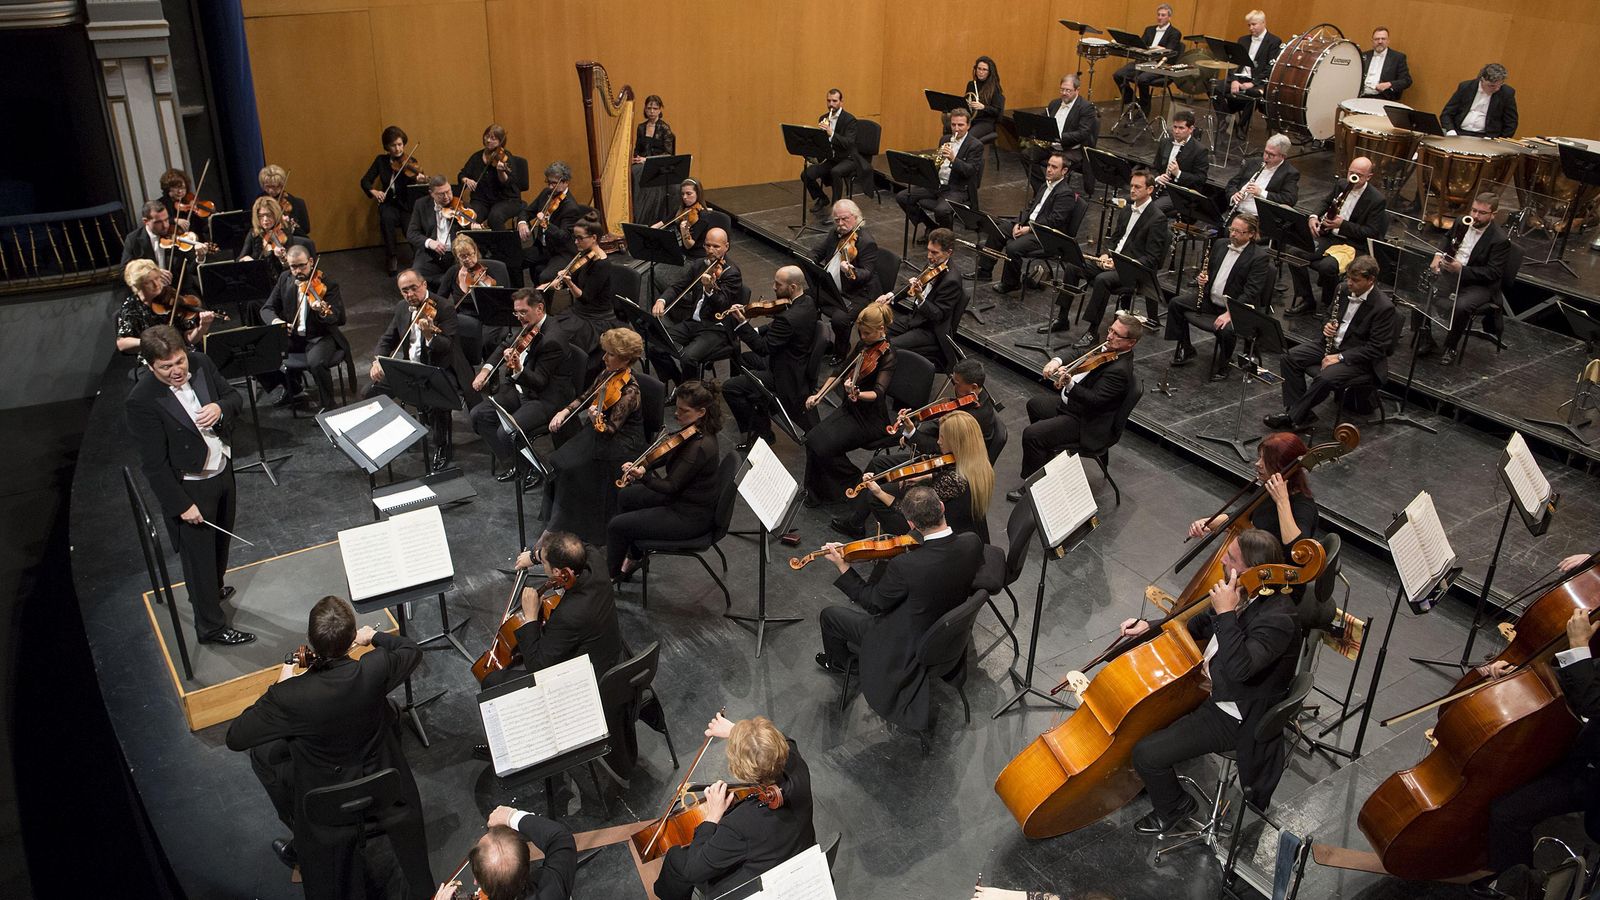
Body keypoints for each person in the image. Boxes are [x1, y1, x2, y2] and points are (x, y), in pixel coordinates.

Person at [225, 596, 432, 900]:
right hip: (382, 783)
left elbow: (236, 737)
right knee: (389, 710)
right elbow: (411, 650)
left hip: (324, 802)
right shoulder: (374, 669)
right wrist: (373, 636)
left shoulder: (290, 696)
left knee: (263, 755)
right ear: (351, 639)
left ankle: (297, 831)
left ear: (311, 640)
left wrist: (281, 685)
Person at [1123, 529, 1302, 834]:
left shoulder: (1278, 619)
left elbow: (1240, 670)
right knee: (1142, 722)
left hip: (1235, 713)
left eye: (1231, 558)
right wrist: (1149, 627)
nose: (1222, 561)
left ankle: (1174, 807)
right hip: (1212, 688)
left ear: (1252, 570)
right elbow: (1194, 626)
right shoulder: (1243, 591)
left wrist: (1226, 613)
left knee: (1145, 754)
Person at [814, 485, 984, 730]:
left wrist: (843, 567)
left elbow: (874, 603)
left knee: (830, 616)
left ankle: (841, 664)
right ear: (942, 507)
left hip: (904, 643)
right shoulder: (972, 542)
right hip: (943, 632)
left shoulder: (906, 566)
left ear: (911, 524)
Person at [126, 325, 254, 645]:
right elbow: (154, 465)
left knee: (220, 545)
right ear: (150, 366)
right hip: (191, 487)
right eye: (166, 367)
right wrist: (182, 505)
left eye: (179, 361)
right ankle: (210, 627)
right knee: (198, 560)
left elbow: (233, 396)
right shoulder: (141, 400)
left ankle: (210, 591)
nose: (177, 371)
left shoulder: (201, 363)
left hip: (222, 471)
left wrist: (220, 408)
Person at [1469, 605, 1600, 899]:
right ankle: (1517, 882)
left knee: (1508, 812)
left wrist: (1579, 647)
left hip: (1594, 777)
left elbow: (1593, 703)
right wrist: (1519, 676)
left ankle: (1520, 891)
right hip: (1585, 755)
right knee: (1506, 802)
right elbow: (1589, 679)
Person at [654, 713, 816, 900]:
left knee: (676, 859)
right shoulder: (797, 766)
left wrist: (713, 816)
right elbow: (785, 740)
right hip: (798, 853)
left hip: (760, 884)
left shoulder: (739, 824)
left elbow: (693, 870)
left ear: (739, 770)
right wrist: (737, 732)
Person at [1013, 312, 1141, 501]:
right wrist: (1056, 361)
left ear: (1131, 343)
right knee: (1035, 405)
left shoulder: (1120, 371)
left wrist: (1070, 384)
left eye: (1116, 334)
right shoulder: (1109, 348)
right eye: (1111, 330)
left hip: (1086, 421)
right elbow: (1081, 354)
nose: (1109, 336)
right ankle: (1045, 456)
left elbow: (1095, 400)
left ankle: (1031, 487)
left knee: (1032, 434)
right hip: (1073, 406)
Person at [608, 380, 724, 582]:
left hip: (689, 516)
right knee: (626, 496)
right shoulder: (693, 430)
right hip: (680, 499)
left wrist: (643, 477)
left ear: (701, 412)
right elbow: (667, 453)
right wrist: (643, 465)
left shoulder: (700, 447)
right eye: (677, 408)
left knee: (617, 526)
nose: (676, 414)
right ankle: (635, 556)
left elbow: (670, 486)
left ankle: (611, 576)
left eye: (684, 411)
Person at [1265, 254, 1396, 430]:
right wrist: (1327, 325)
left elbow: (1376, 348)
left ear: (1371, 280)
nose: (1349, 283)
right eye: (1348, 278)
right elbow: (1328, 314)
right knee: (1289, 358)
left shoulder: (1384, 308)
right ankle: (1302, 414)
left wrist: (1340, 357)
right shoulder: (1342, 289)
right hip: (1331, 344)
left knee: (1325, 378)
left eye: (1355, 280)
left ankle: (1293, 417)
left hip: (1359, 359)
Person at [544, 328, 647, 546]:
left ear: (625, 359)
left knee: (571, 469)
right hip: (598, 431)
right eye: (605, 352)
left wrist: (594, 420)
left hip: (620, 443)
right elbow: (586, 396)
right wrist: (565, 411)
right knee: (557, 461)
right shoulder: (607, 373)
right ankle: (557, 519)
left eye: (611, 354)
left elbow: (610, 430)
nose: (604, 357)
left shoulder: (630, 392)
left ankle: (572, 525)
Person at [469, 287, 579, 485]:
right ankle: (517, 463)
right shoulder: (528, 325)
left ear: (539, 308)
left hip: (545, 397)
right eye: (516, 312)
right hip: (521, 388)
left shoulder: (552, 339)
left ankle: (537, 469)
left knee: (507, 431)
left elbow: (540, 382)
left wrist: (519, 369)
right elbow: (505, 346)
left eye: (523, 312)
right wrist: (485, 371)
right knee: (479, 415)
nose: (519, 317)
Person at [1047, 169, 1168, 347]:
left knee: (1102, 280)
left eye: (1137, 187)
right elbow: (1113, 240)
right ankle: (1062, 317)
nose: (1132, 190)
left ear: (1150, 190)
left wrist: (1119, 264)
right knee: (1073, 267)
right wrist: (1105, 254)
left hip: (1132, 270)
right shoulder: (1127, 210)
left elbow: (1152, 258)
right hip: (1112, 262)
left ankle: (1092, 331)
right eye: (1132, 186)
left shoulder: (1158, 218)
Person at [834, 410, 994, 543]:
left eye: (942, 438)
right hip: (951, 516)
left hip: (933, 529)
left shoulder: (953, 479)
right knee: (893, 483)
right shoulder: (977, 462)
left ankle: (897, 542)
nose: (938, 442)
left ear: (956, 443)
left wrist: (879, 492)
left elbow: (914, 512)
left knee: (875, 497)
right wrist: (926, 477)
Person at [366, 269, 471, 471]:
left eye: (414, 288)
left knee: (437, 401)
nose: (410, 294)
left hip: (439, 368)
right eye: (404, 290)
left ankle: (442, 446)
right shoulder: (402, 308)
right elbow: (387, 338)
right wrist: (377, 360)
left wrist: (430, 335)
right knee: (370, 391)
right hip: (410, 368)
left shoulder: (444, 308)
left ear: (424, 285)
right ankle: (387, 432)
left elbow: (447, 346)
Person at [803, 304, 895, 505]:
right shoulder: (863, 345)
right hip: (850, 409)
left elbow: (878, 393)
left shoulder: (888, 356)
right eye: (860, 332)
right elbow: (840, 373)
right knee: (812, 440)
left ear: (881, 329)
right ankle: (815, 492)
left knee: (823, 447)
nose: (862, 337)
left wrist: (858, 393)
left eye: (867, 333)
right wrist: (819, 395)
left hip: (869, 419)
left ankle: (854, 481)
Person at [723, 265, 819, 449]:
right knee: (743, 359)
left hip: (784, 374)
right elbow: (778, 326)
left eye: (778, 284)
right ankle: (759, 401)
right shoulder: (807, 301)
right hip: (793, 360)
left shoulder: (789, 318)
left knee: (730, 388)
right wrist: (756, 329)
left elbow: (763, 348)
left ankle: (763, 433)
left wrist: (743, 323)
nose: (774, 288)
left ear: (792, 287)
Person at [1166, 213, 1271, 381]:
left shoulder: (1259, 257)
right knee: (1175, 304)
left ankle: (1224, 364)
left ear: (1251, 234)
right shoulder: (1221, 244)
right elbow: (1210, 270)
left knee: (1227, 330)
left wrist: (1230, 313)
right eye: (1232, 229)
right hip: (1211, 299)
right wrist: (1203, 278)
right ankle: (1187, 348)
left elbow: (1251, 292)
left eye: (1238, 231)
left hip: (1237, 306)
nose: (1233, 234)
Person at [1414, 192, 1511, 366]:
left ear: (1493, 215)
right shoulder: (1461, 221)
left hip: (1478, 284)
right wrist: (1438, 255)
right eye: (1474, 210)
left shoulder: (1500, 240)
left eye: (1482, 213)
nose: (1475, 216)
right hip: (1451, 274)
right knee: (1423, 287)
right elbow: (1447, 238)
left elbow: (1493, 273)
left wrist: (1462, 270)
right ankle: (1425, 337)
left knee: (1462, 306)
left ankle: (1451, 346)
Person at [1287, 157, 1390, 317]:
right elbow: (1326, 202)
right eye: (1351, 173)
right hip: (1330, 237)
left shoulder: (1376, 199)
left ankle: (1329, 305)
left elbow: (1371, 232)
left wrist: (1342, 225)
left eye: (1359, 175)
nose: (1353, 178)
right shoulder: (1342, 184)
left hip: (1352, 244)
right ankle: (1307, 299)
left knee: (1327, 267)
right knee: (1294, 253)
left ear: (1369, 177)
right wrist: (1313, 216)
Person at [975, 151, 1085, 295]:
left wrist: (1029, 229)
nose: (1049, 169)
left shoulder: (1066, 193)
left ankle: (1011, 283)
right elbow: (1030, 208)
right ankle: (985, 271)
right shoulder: (1045, 185)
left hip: (1045, 234)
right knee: (998, 229)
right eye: (1048, 165)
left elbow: (1054, 220)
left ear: (1064, 171)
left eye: (1054, 167)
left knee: (1013, 247)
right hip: (1029, 225)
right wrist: (1019, 223)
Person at [1188, 432, 1319, 551]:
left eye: (1265, 461)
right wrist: (1207, 523)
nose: (1257, 464)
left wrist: (1282, 501)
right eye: (1259, 457)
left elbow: (1298, 549)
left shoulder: (1303, 505)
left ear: (1282, 466)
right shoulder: (1268, 488)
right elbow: (1238, 518)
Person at [648, 227, 742, 386]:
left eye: (716, 246)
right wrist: (662, 300)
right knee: (655, 345)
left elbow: (722, 304)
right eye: (707, 245)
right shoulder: (700, 264)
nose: (710, 250)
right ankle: (679, 383)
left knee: (688, 357)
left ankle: (691, 394)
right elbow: (678, 286)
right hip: (694, 322)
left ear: (726, 246)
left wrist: (709, 289)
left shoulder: (731, 272)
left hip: (716, 327)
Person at [259, 245, 346, 412]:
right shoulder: (285, 278)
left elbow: (339, 319)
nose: (298, 271)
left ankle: (329, 406)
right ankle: (293, 388)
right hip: (294, 337)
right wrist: (277, 322)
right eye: (293, 266)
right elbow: (267, 308)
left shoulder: (328, 284)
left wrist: (321, 312)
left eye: (302, 265)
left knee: (316, 363)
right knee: (258, 352)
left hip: (320, 337)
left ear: (311, 262)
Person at [435, 805, 575, 900]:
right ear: (527, 861)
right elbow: (560, 838)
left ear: (476, 880)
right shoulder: (553, 884)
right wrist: (511, 816)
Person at [895, 107, 986, 232]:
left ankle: (945, 237)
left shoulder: (975, 145)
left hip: (957, 188)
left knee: (942, 210)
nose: (956, 129)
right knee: (903, 197)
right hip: (937, 185)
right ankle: (931, 227)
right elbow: (937, 163)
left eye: (960, 125)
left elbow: (970, 171)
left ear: (968, 126)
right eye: (953, 125)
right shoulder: (945, 139)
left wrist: (953, 159)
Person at [548, 214, 623, 362]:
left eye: (580, 238)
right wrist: (554, 283)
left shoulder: (602, 264)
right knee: (551, 330)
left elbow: (585, 297)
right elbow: (574, 276)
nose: (576, 242)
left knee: (563, 340)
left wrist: (569, 283)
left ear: (594, 238)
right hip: (580, 312)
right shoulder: (585, 255)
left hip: (595, 319)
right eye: (575, 237)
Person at [811, 199, 882, 354]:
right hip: (833, 286)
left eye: (845, 219)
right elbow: (817, 251)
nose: (840, 224)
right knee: (807, 299)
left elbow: (867, 273)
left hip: (858, 293)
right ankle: (816, 339)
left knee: (840, 319)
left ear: (855, 217)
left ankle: (841, 351)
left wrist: (851, 270)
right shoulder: (835, 234)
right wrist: (810, 260)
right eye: (837, 220)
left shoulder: (866, 242)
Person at [881, 227, 961, 361]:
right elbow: (915, 284)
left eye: (934, 252)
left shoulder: (952, 280)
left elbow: (937, 315)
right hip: (914, 319)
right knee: (876, 331)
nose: (929, 256)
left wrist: (920, 296)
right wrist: (890, 296)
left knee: (889, 346)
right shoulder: (933, 264)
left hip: (930, 330)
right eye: (928, 250)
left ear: (949, 252)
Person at [360, 125, 428, 275]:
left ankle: (419, 258)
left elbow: (415, 187)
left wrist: (419, 180)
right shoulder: (381, 161)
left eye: (400, 144)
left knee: (409, 226)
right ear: (387, 146)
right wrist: (375, 192)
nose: (398, 149)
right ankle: (391, 257)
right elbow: (365, 181)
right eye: (393, 145)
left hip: (406, 204)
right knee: (387, 219)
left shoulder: (410, 161)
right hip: (389, 203)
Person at [442, 233, 514, 367]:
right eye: (463, 256)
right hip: (466, 317)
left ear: (475, 251)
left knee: (487, 340)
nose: (468, 259)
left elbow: (504, 298)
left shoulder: (489, 271)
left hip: (490, 315)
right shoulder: (453, 272)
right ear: (457, 257)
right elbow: (441, 298)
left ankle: (491, 371)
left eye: (471, 254)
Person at [115, 258, 213, 353]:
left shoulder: (170, 296)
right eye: (148, 282)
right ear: (137, 285)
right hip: (155, 356)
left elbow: (189, 339)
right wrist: (149, 342)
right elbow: (122, 344)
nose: (156, 284)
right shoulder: (131, 306)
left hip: (183, 352)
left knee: (201, 359)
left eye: (157, 278)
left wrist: (202, 328)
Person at [1211, 11, 1282, 138]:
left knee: (1253, 94)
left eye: (1254, 24)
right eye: (1249, 25)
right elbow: (1233, 62)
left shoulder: (1274, 41)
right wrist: (1234, 80)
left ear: (1263, 23)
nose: (1251, 28)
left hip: (1257, 81)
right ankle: (1227, 119)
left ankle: (1241, 126)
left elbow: (1270, 68)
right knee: (1214, 87)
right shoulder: (1243, 40)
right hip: (1239, 78)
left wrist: (1253, 83)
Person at [1028, 74, 1099, 196]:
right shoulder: (1054, 103)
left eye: (1068, 90)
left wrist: (1060, 137)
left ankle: (1051, 193)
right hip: (1051, 147)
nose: (1064, 93)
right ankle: (1042, 190)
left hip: (1071, 149)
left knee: (1057, 164)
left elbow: (1083, 133)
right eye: (1062, 89)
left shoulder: (1086, 107)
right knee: (1027, 155)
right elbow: (1043, 120)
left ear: (1077, 90)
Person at [408, 175, 483, 288]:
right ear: (431, 193)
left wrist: (475, 229)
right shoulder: (421, 205)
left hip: (456, 255)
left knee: (467, 277)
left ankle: (444, 283)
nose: (446, 197)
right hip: (431, 254)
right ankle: (443, 283)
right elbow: (412, 233)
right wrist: (430, 242)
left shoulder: (461, 206)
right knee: (415, 277)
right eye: (441, 194)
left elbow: (472, 237)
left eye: (448, 191)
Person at [802, 89, 869, 213]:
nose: (831, 104)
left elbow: (848, 143)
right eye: (828, 101)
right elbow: (822, 143)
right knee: (807, 174)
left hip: (848, 158)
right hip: (832, 158)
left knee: (835, 172)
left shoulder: (850, 120)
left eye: (834, 101)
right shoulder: (823, 118)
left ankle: (836, 208)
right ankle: (822, 198)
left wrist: (831, 133)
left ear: (841, 102)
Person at [518, 162, 583, 282]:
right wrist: (522, 222)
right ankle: (519, 292)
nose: (550, 187)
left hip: (561, 252)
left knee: (544, 277)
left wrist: (546, 223)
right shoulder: (546, 193)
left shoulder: (570, 207)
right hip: (542, 247)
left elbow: (563, 236)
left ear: (565, 182)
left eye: (554, 183)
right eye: (548, 182)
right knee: (513, 262)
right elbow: (527, 211)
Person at [1113, 3, 1183, 115]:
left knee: (1142, 79)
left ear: (1169, 17)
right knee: (1118, 75)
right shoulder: (1149, 30)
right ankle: (1132, 101)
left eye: (1163, 15)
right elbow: (1141, 45)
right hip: (1144, 62)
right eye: (1158, 15)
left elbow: (1169, 50)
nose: (1160, 17)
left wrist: (1157, 49)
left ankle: (1144, 109)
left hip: (1160, 65)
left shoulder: (1175, 33)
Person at [459, 124, 529, 228]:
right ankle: (478, 239)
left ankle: (501, 239)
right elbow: (462, 174)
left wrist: (501, 172)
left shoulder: (505, 157)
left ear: (500, 141)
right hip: (481, 200)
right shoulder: (476, 157)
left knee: (495, 217)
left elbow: (509, 182)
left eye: (493, 138)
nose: (488, 140)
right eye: (487, 136)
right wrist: (466, 180)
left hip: (505, 199)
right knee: (470, 217)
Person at [1224, 135, 1299, 220]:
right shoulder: (1252, 162)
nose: (1266, 157)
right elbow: (1232, 184)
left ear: (1283, 156)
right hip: (1236, 212)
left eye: (1271, 155)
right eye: (1266, 152)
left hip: (1258, 218)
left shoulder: (1290, 173)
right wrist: (1234, 195)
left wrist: (1261, 193)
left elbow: (1289, 199)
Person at [1150, 109, 1209, 217]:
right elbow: (1154, 167)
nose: (1176, 131)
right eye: (1175, 127)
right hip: (1158, 187)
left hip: (1178, 194)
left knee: (1150, 210)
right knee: (1131, 200)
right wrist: (1158, 178)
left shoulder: (1200, 150)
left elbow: (1200, 179)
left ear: (1191, 129)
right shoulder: (1165, 142)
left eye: (1181, 128)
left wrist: (1178, 173)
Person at [120, 198, 207, 272]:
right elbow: (124, 271)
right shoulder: (133, 239)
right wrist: (149, 275)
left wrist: (200, 257)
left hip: (179, 285)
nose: (165, 226)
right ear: (146, 221)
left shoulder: (177, 236)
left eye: (166, 220)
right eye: (158, 222)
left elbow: (192, 270)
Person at [631, 94, 678, 224]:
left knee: (639, 172)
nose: (652, 111)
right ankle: (636, 214)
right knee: (633, 171)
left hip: (658, 164)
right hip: (641, 162)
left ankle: (647, 216)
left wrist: (646, 160)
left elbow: (668, 154)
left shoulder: (664, 128)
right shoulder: (641, 127)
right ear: (645, 109)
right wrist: (635, 158)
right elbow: (637, 149)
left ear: (660, 110)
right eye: (649, 108)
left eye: (655, 108)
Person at [1442, 63, 1517, 138]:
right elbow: (1447, 113)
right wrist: (1450, 131)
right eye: (1492, 86)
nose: (1497, 89)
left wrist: (1498, 141)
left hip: (1487, 137)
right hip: (1459, 133)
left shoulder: (1506, 93)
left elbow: (1511, 123)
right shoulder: (1466, 87)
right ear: (1482, 79)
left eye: (1500, 85)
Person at [653, 178, 712, 261]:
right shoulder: (681, 210)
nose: (684, 197)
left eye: (689, 194)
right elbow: (663, 223)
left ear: (698, 194)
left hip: (696, 257)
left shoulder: (703, 215)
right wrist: (648, 230)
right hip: (683, 253)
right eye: (682, 194)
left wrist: (684, 231)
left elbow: (689, 245)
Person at [257, 164, 311, 238]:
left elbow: (306, 229)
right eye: (267, 186)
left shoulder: (297, 203)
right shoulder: (259, 201)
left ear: (282, 185)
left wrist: (289, 224)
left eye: (274, 186)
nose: (271, 190)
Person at [1360, 27, 1412, 101]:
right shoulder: (1363, 55)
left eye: (1383, 39)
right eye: (1377, 39)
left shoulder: (1398, 57)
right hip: (1360, 96)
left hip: (1383, 98)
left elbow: (1407, 80)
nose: (1380, 41)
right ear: (1372, 41)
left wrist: (1388, 84)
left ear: (1388, 41)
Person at [962, 56, 1006, 143]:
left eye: (984, 70)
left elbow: (997, 111)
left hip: (986, 122)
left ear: (989, 72)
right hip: (972, 119)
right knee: (953, 129)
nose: (981, 72)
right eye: (979, 69)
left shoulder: (994, 88)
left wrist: (983, 107)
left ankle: (966, 152)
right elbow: (966, 102)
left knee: (969, 137)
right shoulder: (971, 84)